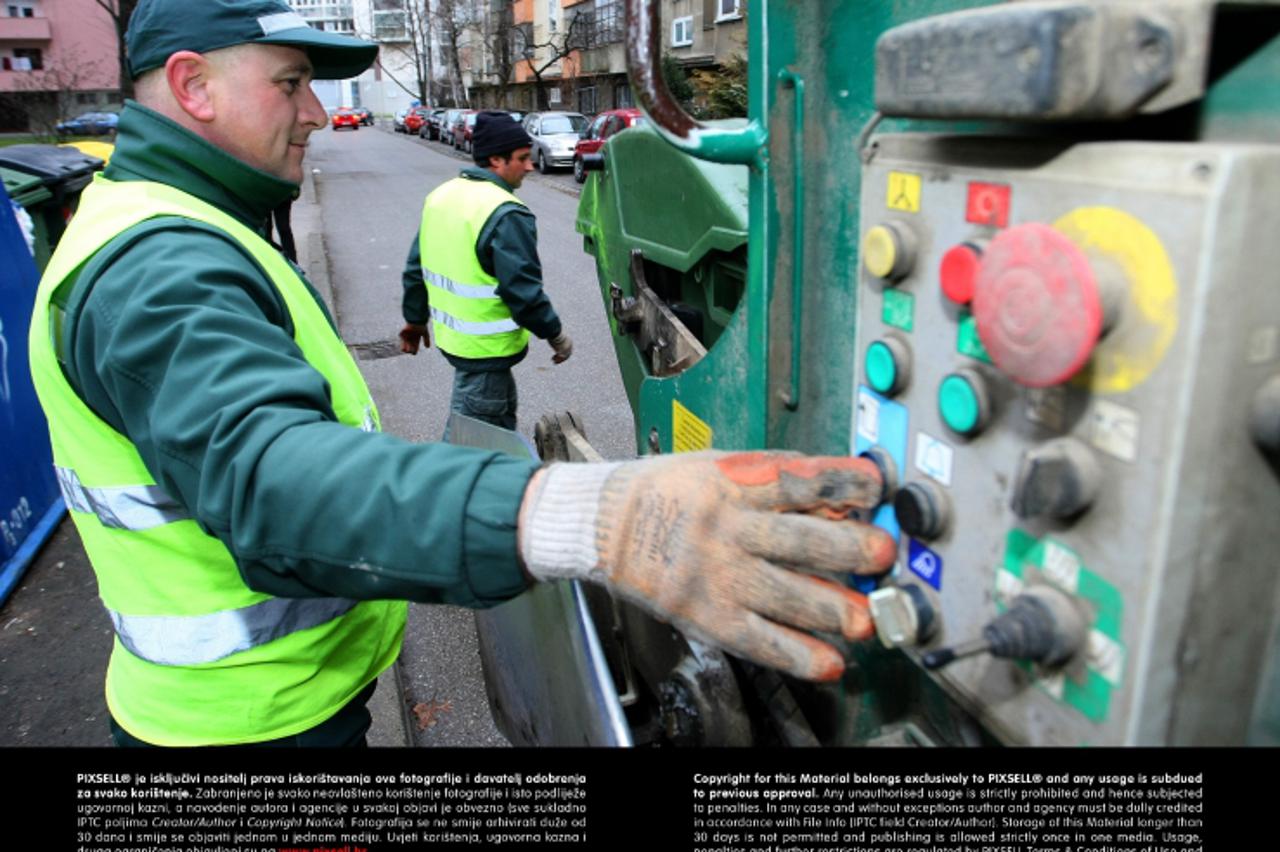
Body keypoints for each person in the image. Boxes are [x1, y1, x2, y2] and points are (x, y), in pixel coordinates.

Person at [27, 0, 896, 748]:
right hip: (247, 721)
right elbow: (269, 484)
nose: (320, 114)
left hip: (268, 700)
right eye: (291, 83)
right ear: (192, 86)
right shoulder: (162, 265)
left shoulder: (176, 221)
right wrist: (594, 518)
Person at [399, 110, 571, 437]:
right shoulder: (506, 212)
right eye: (522, 158)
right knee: (469, 444)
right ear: (496, 159)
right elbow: (523, 291)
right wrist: (556, 335)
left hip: (460, 344)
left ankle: (505, 480)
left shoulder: (442, 197)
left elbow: (414, 269)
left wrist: (415, 319)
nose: (531, 165)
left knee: (499, 429)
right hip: (485, 349)